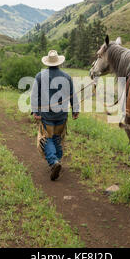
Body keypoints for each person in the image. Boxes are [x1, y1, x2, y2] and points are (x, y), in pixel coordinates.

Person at [31, 50, 79, 181]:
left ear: (47, 62)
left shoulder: (40, 76)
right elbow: (72, 95)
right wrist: (75, 110)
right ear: (59, 62)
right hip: (62, 114)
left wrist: (35, 111)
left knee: (48, 138)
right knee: (58, 137)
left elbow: (34, 95)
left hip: (46, 115)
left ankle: (53, 162)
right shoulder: (67, 77)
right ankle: (57, 159)